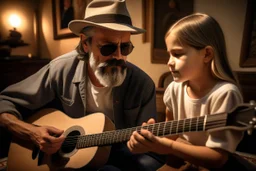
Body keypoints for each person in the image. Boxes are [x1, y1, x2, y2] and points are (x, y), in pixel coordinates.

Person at [0, 0, 165, 170]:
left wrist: (145, 144)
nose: (119, 56)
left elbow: (148, 151)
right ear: (85, 43)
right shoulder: (60, 70)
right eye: (108, 48)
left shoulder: (142, 84)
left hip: (116, 158)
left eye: (125, 47)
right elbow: (4, 102)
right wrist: (31, 133)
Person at [127, 13, 245, 170]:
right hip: (181, 162)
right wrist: (151, 139)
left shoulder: (225, 94)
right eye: (169, 54)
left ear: (207, 54)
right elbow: (172, 133)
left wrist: (168, 146)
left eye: (177, 54)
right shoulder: (175, 89)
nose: (169, 62)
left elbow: (217, 158)